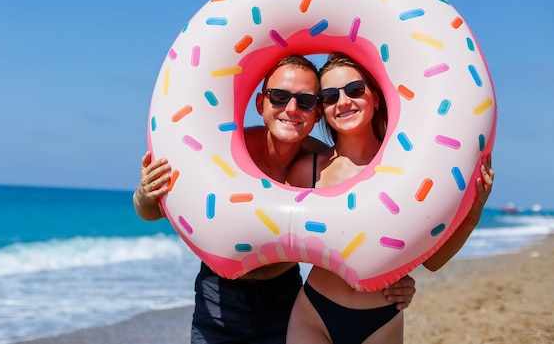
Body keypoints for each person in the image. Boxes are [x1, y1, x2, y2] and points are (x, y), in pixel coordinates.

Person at [134, 55, 417, 344]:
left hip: (283, 293)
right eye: (279, 97)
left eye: (306, 101)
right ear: (261, 104)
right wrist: (144, 194)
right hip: (220, 292)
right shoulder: (226, 155)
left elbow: (364, 226)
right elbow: (156, 210)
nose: (291, 109)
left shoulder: (322, 164)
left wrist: (394, 276)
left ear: (317, 113)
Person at [285, 52, 495, 344]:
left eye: (355, 90)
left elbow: (432, 262)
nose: (343, 101)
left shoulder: (405, 170)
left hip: (381, 319)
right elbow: (277, 238)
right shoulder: (308, 171)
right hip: (313, 313)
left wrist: (473, 215)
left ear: (375, 97)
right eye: (330, 96)